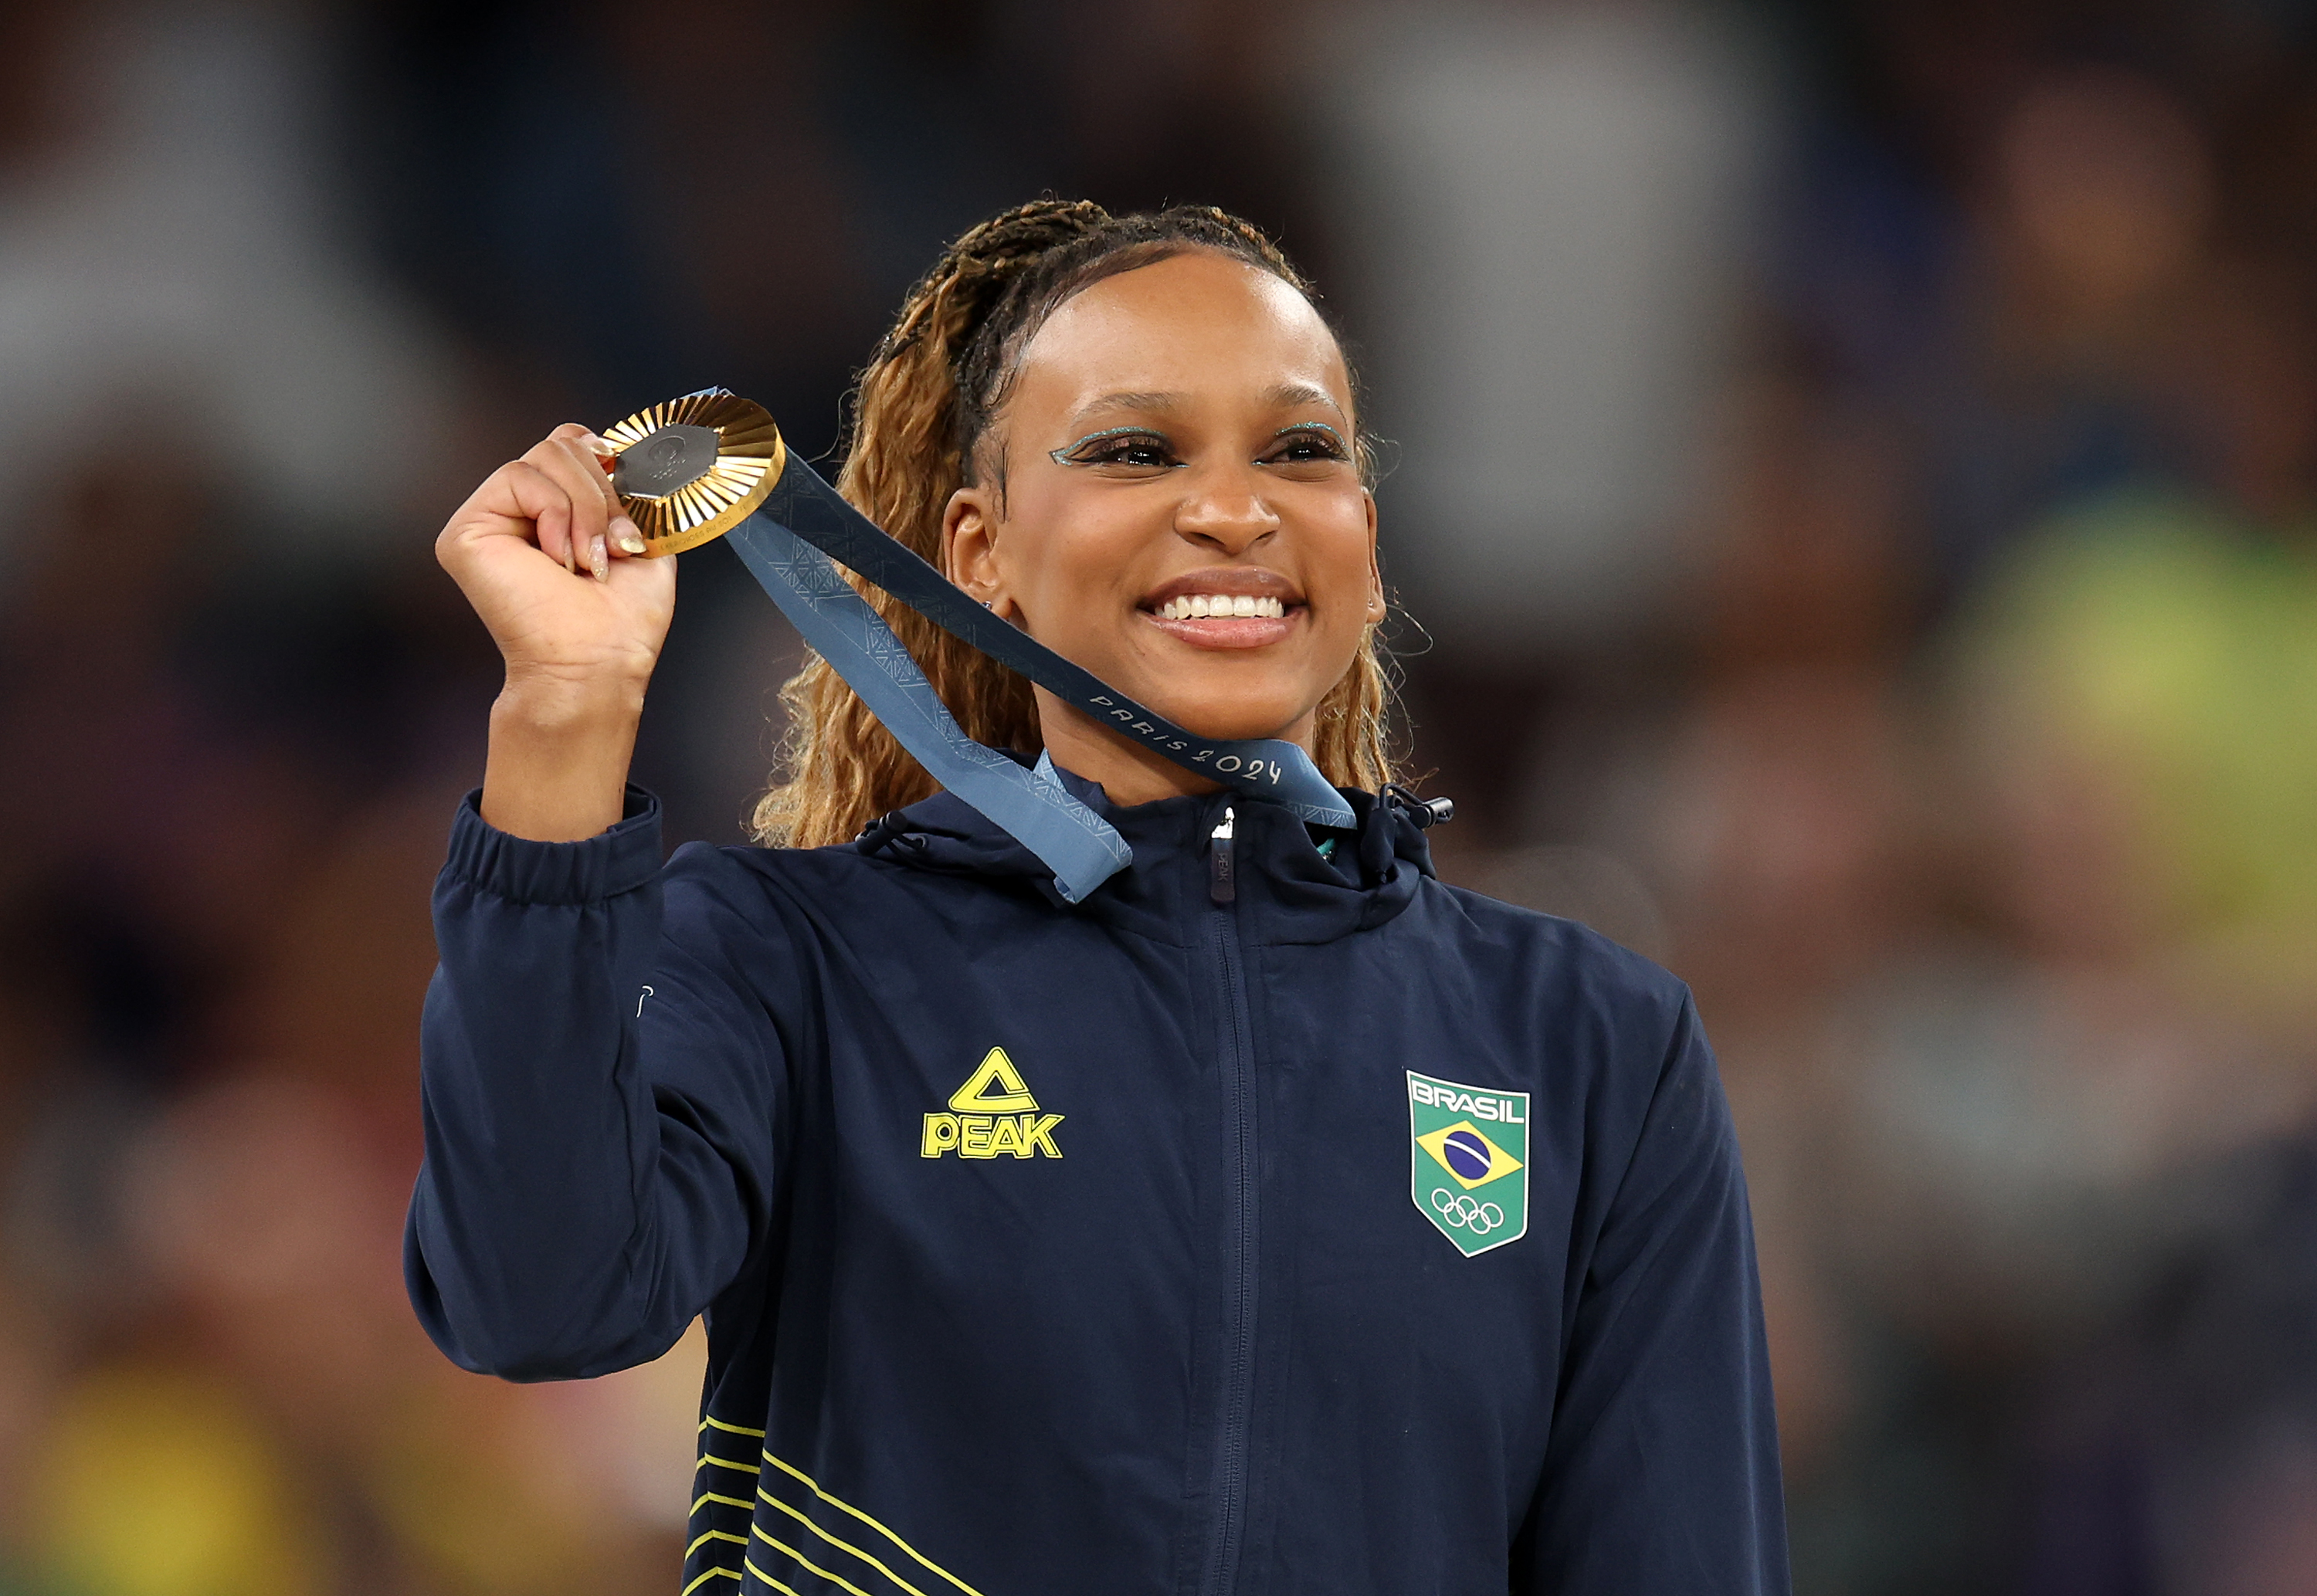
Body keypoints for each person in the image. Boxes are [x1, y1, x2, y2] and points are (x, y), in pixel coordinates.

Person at [409, 199, 1788, 1595]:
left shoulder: (1591, 1044)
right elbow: (535, 1297)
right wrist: (566, 717)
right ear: (979, 552)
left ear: (1364, 549)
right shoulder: (792, 964)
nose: (1235, 510)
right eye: (1136, 450)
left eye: (1299, 454)